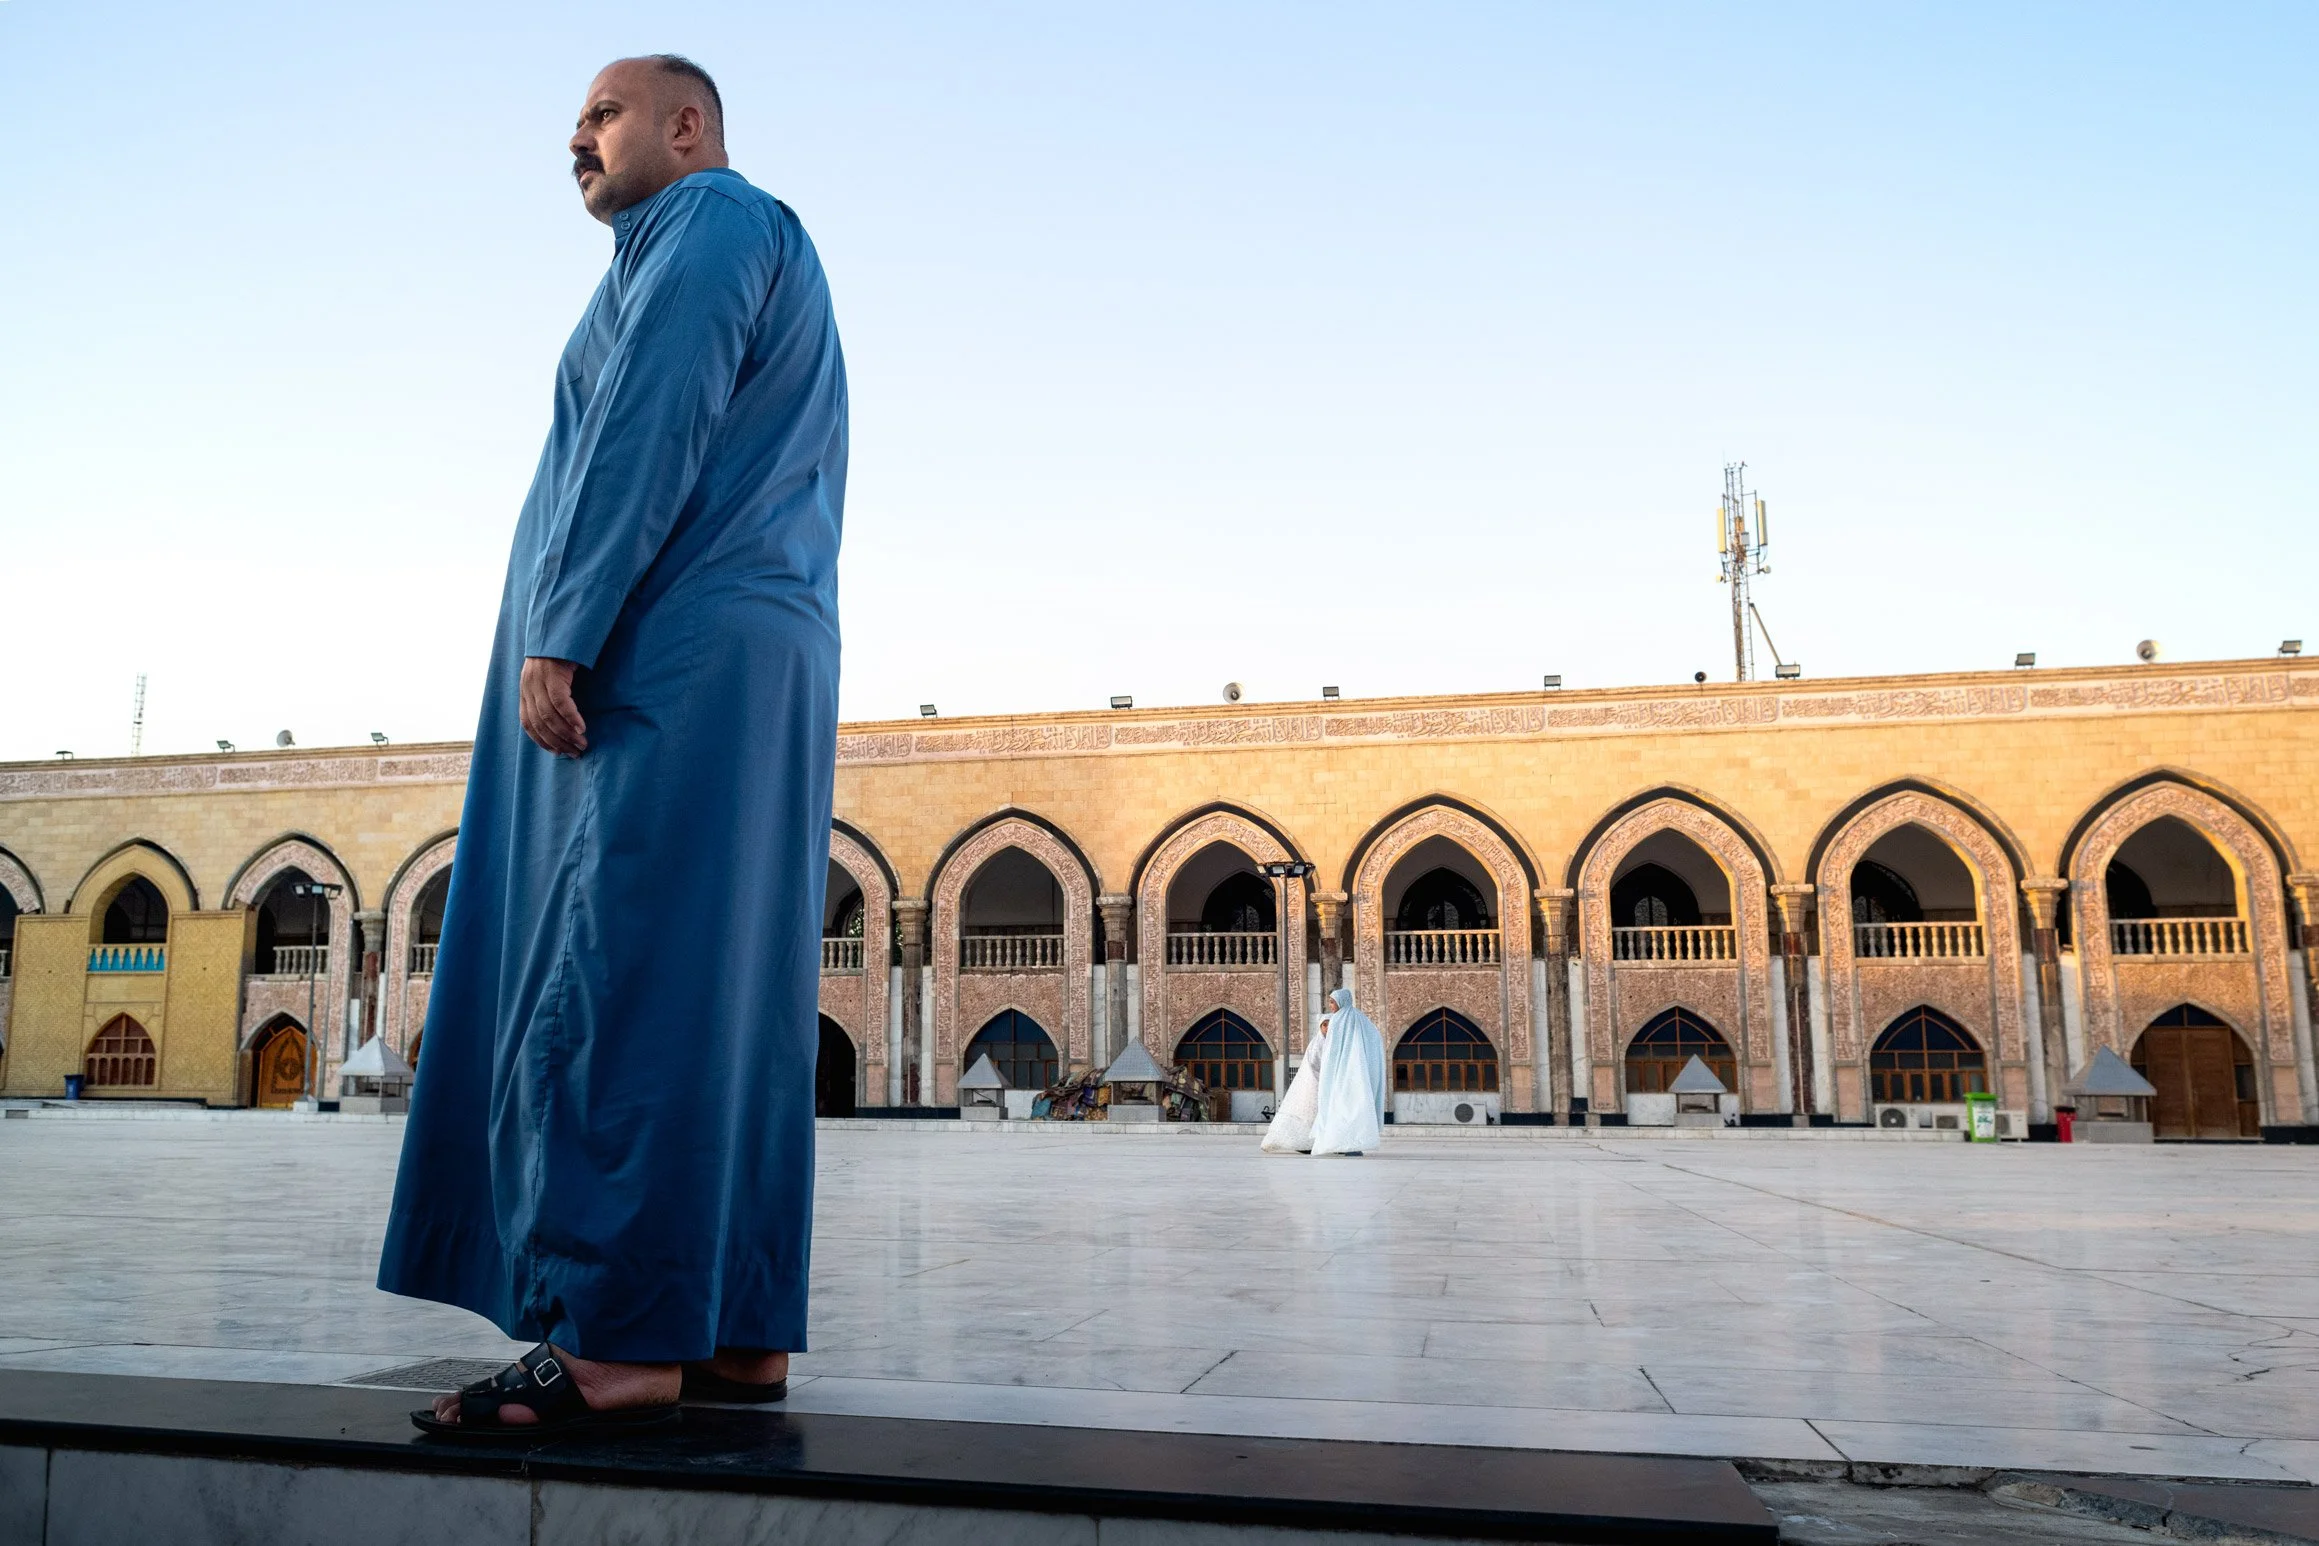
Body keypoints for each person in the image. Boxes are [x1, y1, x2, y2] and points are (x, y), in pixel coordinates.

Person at [377, 53, 848, 1440]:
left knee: (619, 971)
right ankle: (736, 1328)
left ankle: (613, 1351)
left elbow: (652, 414)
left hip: (666, 642)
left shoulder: (705, 222)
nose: (573, 137)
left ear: (685, 125)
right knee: (727, 993)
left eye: (602, 113)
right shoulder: (758, 238)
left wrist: (564, 621)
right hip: (751, 638)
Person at [1308, 988, 1386, 1156]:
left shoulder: (1338, 1020)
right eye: (1329, 1002)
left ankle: (1350, 1145)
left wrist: (1333, 1071)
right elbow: (1375, 1039)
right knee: (1349, 1107)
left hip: (1344, 1073)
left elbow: (1333, 1051)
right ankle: (1342, 1143)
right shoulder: (1360, 1018)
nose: (1330, 1006)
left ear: (1341, 1001)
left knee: (1345, 1107)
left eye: (1332, 1002)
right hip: (1358, 1073)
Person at [1260, 1015, 1324, 1154]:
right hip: (1313, 1084)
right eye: (1324, 1025)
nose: (1327, 1028)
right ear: (1320, 1027)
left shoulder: (1329, 1042)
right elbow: (1313, 1064)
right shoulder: (1316, 1043)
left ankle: (1314, 1143)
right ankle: (1304, 1144)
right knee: (1307, 1115)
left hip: (1323, 1086)